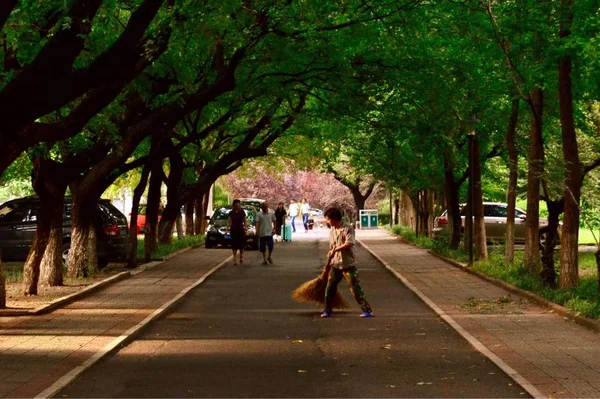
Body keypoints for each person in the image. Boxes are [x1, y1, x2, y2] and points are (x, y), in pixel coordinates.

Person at [321, 207, 373, 318]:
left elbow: (349, 243)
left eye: (328, 219)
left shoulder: (348, 228)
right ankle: (327, 310)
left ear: (334, 218)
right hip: (335, 264)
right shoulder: (332, 230)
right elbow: (332, 246)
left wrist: (335, 250)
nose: (327, 222)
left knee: (355, 287)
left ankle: (367, 310)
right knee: (330, 287)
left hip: (348, 264)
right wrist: (330, 256)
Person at [226, 199, 247, 265]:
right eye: (236, 203)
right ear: (234, 205)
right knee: (234, 245)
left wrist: (245, 228)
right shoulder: (231, 212)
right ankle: (235, 258)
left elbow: (245, 221)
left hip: (240, 230)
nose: (237, 205)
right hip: (233, 230)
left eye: (238, 203)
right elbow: (229, 221)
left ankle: (241, 256)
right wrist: (227, 229)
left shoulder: (242, 212)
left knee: (241, 245)